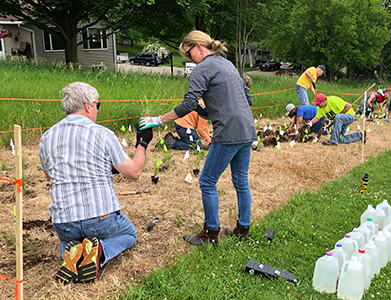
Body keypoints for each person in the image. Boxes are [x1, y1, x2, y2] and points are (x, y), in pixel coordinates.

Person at [139, 30, 257, 245]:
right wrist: (207, 111)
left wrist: (159, 119)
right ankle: (243, 229)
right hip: (247, 130)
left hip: (228, 132)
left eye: (188, 54)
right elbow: (246, 99)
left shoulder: (203, 68)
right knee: (241, 181)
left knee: (207, 181)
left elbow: (189, 104)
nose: (189, 59)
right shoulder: (227, 64)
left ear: (197, 46)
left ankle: (211, 233)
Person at [39, 82, 152, 284]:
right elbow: (134, 172)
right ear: (88, 105)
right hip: (100, 219)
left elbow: (51, 177)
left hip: (64, 222)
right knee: (128, 234)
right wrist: (142, 143)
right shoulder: (102, 134)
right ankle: (99, 251)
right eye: (98, 105)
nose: (98, 110)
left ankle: (71, 253)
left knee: (69, 239)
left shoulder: (46, 137)